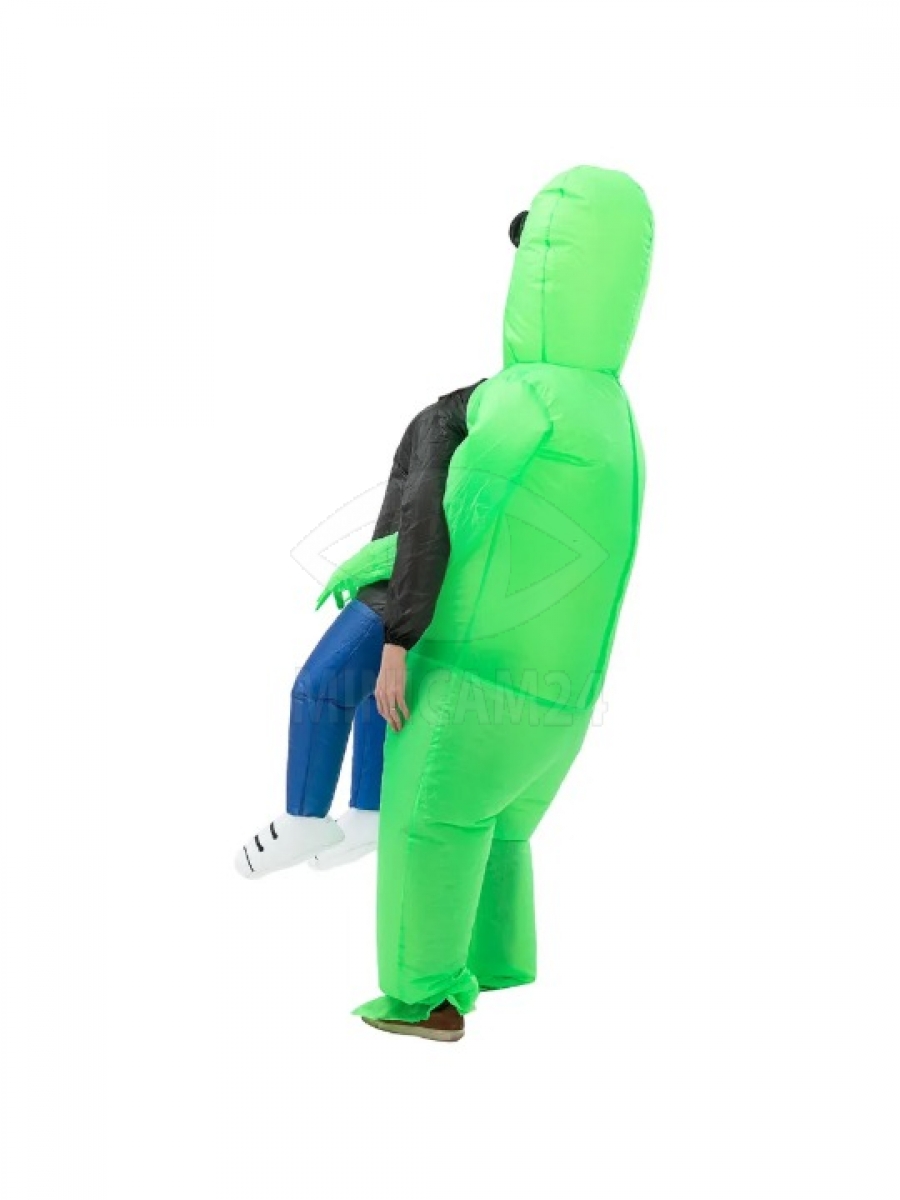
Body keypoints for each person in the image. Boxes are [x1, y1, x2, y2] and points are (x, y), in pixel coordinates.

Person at [351, 166, 654, 1042]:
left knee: (433, 827)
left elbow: (448, 518)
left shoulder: (525, 401)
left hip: (471, 679)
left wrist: (385, 596)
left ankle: (426, 997)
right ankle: (495, 958)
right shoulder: (617, 414)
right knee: (500, 826)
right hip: (563, 697)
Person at [234, 379, 483, 877]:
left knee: (320, 687)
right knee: (373, 691)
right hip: (412, 582)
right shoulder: (461, 429)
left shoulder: (439, 426)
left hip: (402, 588)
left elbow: (423, 528)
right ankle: (369, 809)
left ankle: (304, 817)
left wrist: (397, 639)